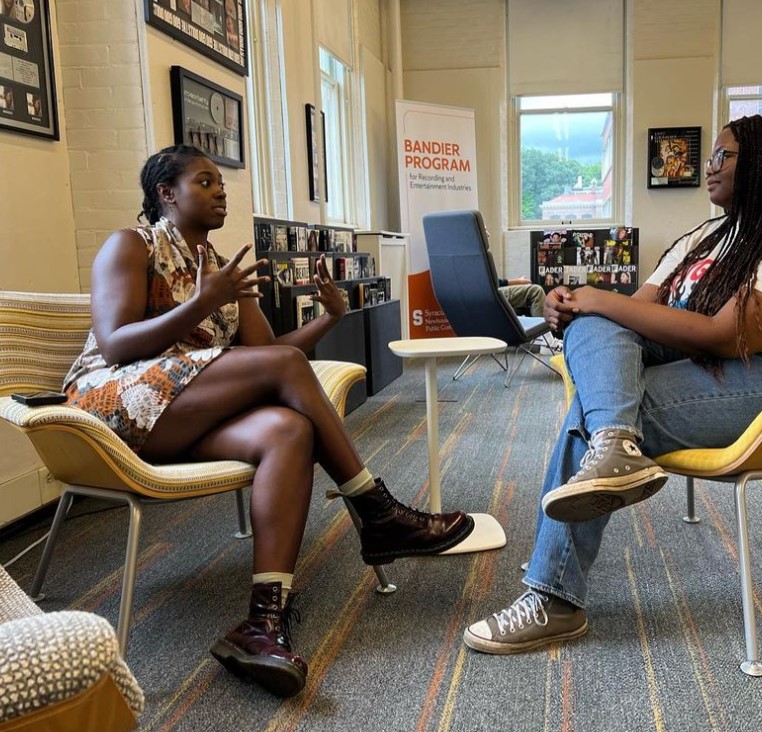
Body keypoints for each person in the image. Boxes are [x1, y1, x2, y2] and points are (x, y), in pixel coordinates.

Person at [63, 145, 473, 697]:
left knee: (289, 430)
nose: (221, 191)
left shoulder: (220, 266)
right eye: (205, 182)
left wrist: (330, 319)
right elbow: (114, 345)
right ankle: (376, 511)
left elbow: (273, 354)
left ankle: (261, 623)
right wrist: (199, 305)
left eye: (221, 183)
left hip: (183, 409)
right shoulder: (131, 246)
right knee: (283, 390)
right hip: (113, 405)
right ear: (166, 194)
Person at [463, 114, 762, 655]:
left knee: (602, 406)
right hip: (720, 362)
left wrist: (598, 297)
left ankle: (555, 596)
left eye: (724, 156)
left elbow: (727, 336)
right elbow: (640, 311)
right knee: (594, 331)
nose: (710, 167)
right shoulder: (709, 235)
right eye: (710, 157)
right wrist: (579, 306)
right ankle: (614, 449)